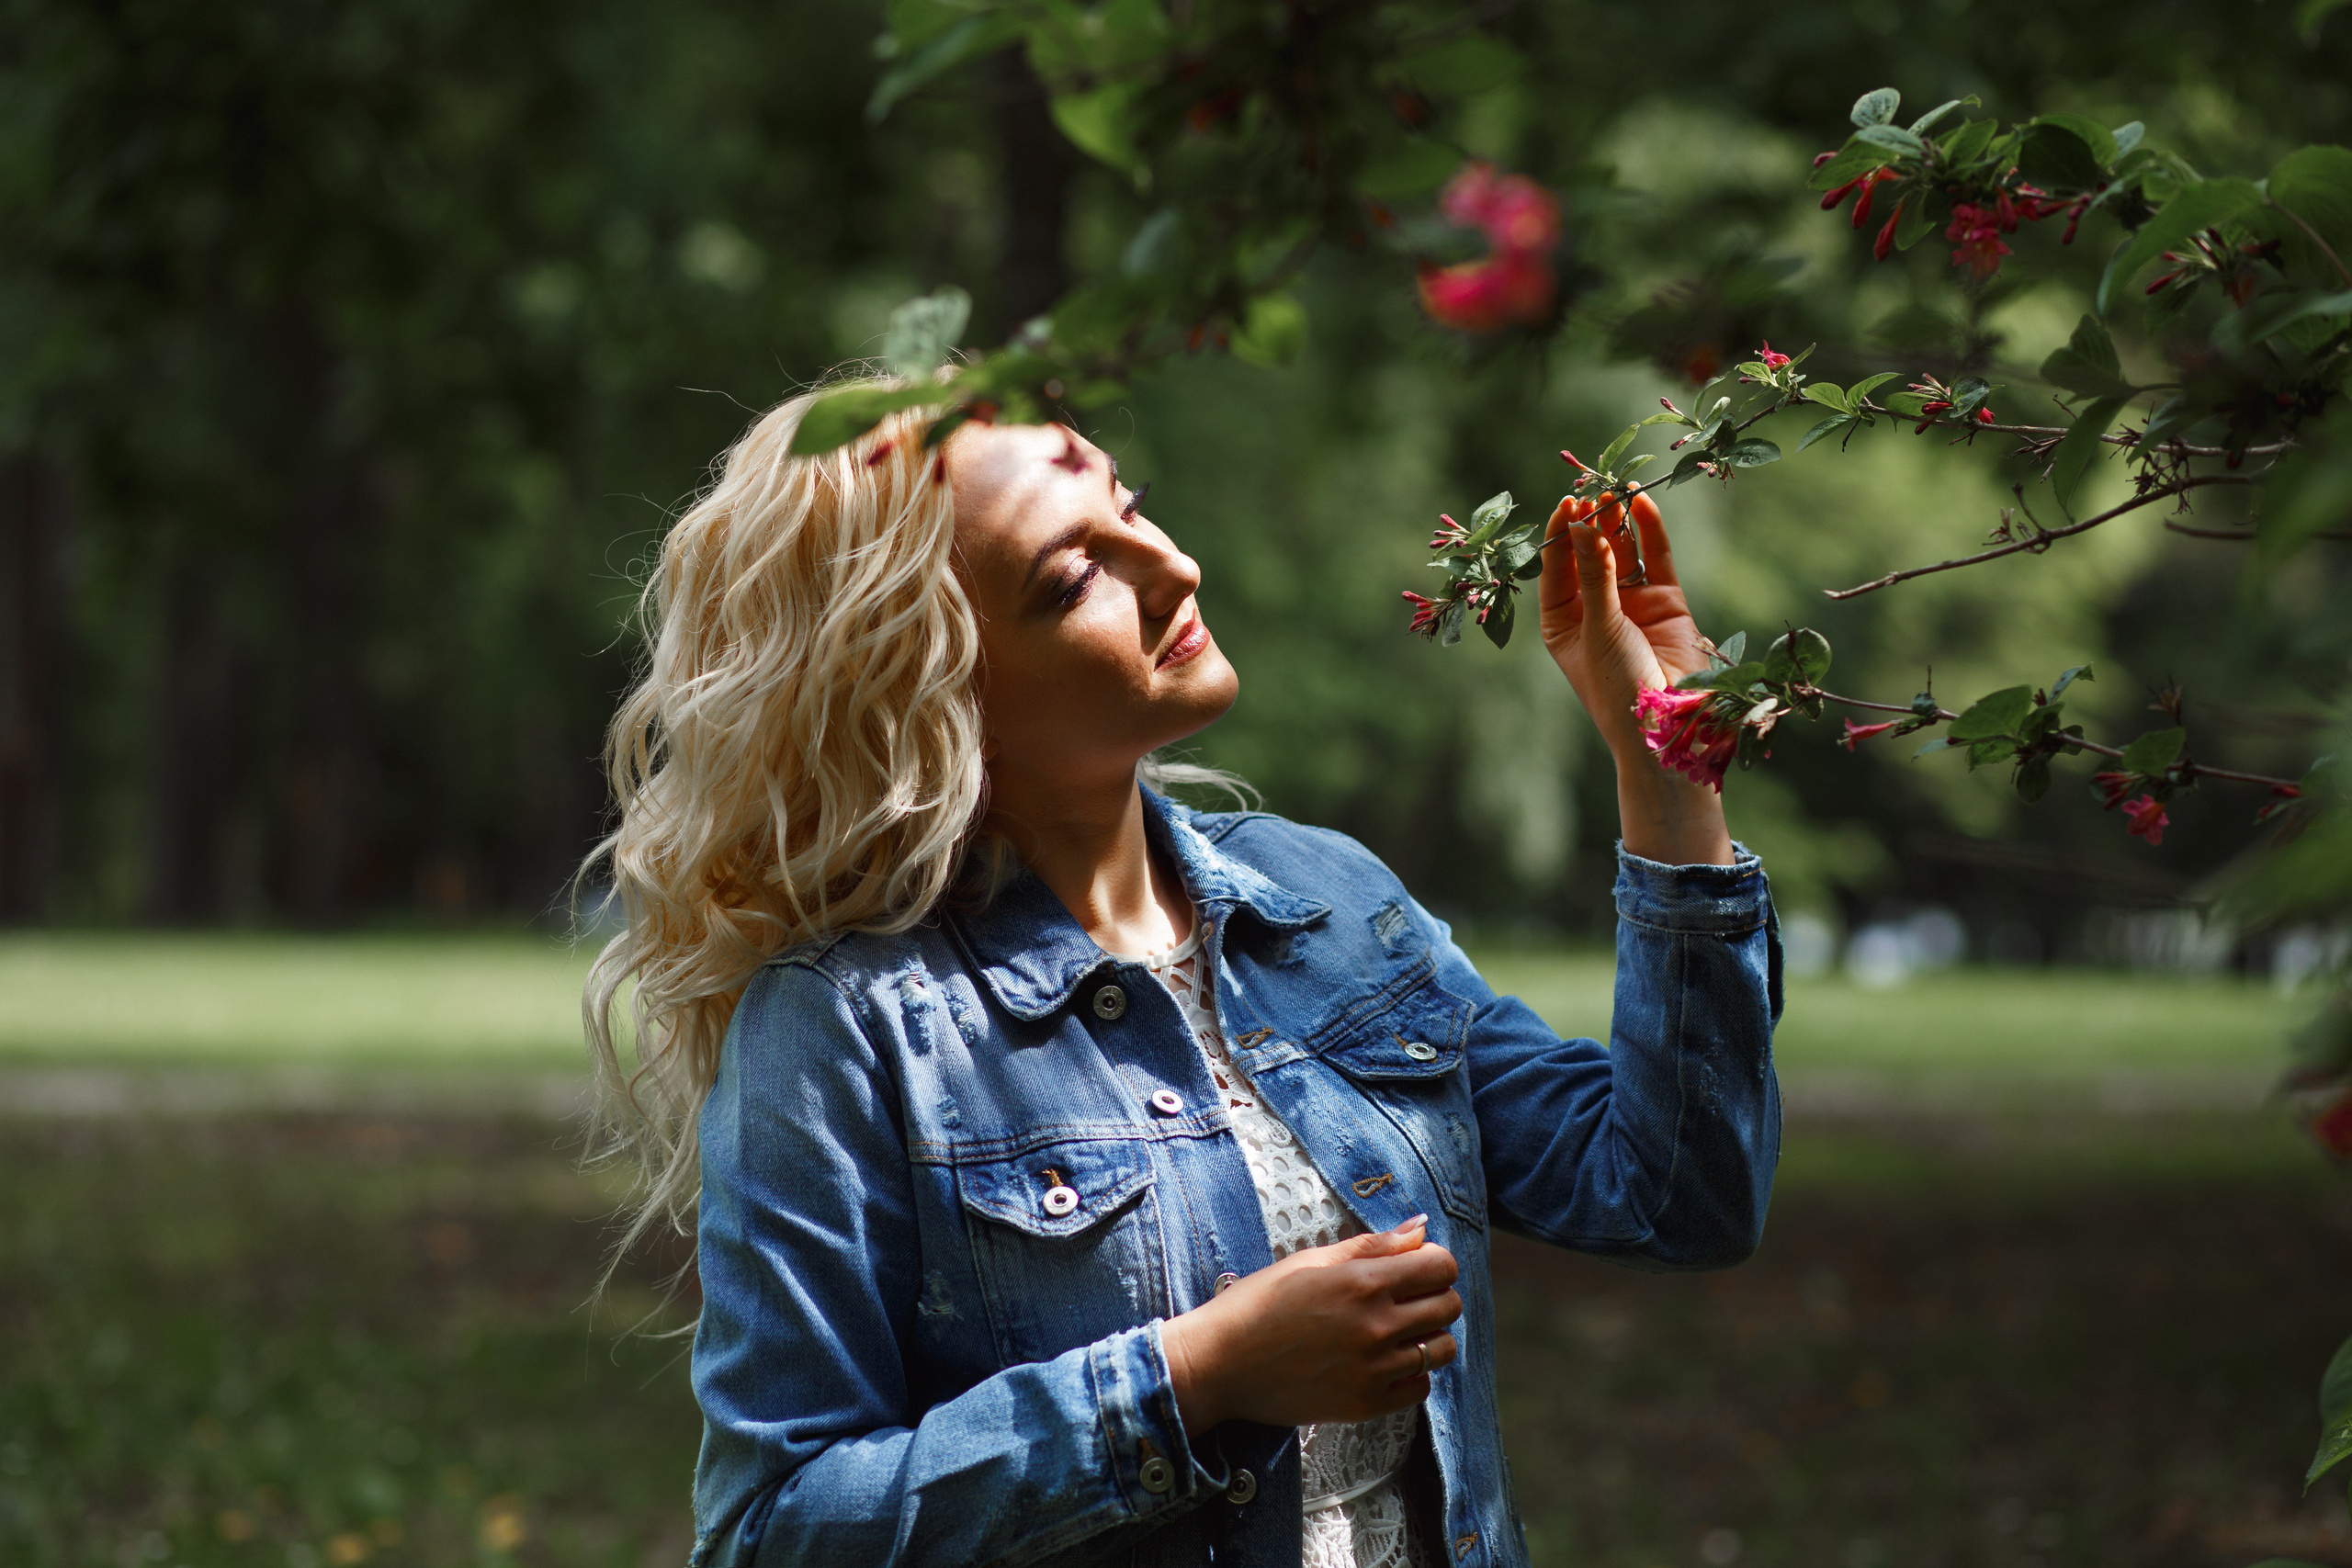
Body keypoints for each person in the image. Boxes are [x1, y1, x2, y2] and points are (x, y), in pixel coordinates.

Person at [582, 379, 1782, 1568]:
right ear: (931, 689)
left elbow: (1675, 1191)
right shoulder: (848, 1027)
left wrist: (1665, 763)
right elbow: (772, 1531)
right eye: (1071, 577)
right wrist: (1188, 1381)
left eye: (1130, 501)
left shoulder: (1332, 900)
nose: (1171, 565)